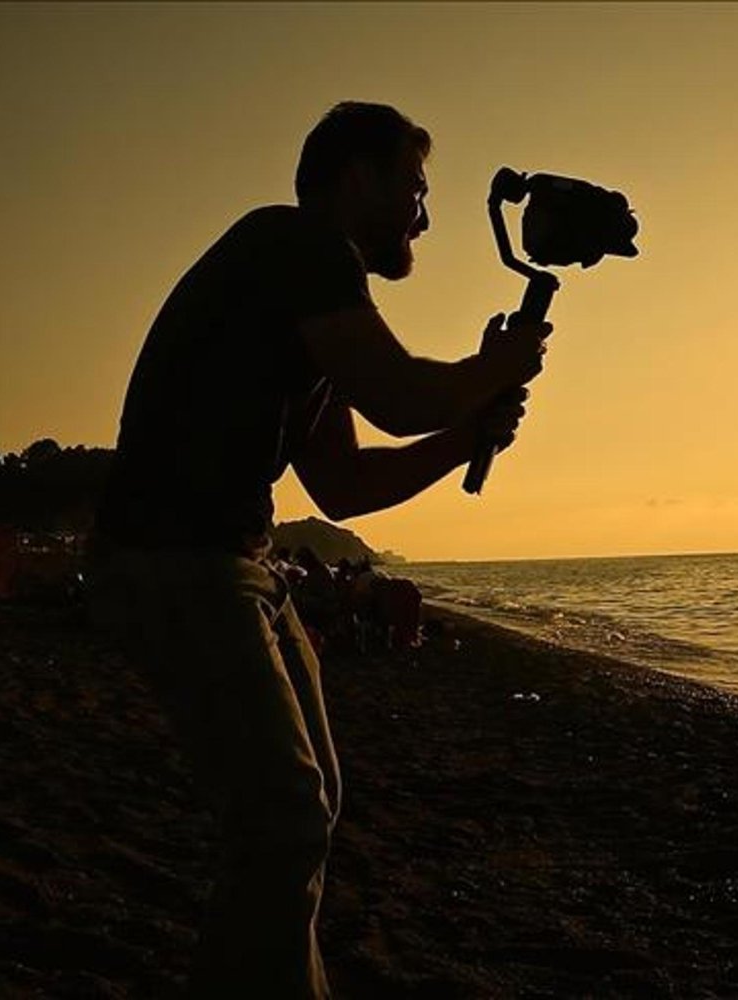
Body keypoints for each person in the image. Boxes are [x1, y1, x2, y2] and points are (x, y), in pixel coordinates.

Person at [88, 102, 548, 998]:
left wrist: (466, 431)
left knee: (309, 807)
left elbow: (343, 485)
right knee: (285, 821)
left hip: (235, 565)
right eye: (414, 190)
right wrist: (498, 366)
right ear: (355, 180)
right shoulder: (298, 248)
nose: (424, 217)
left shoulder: (308, 299)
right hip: (175, 559)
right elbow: (404, 396)